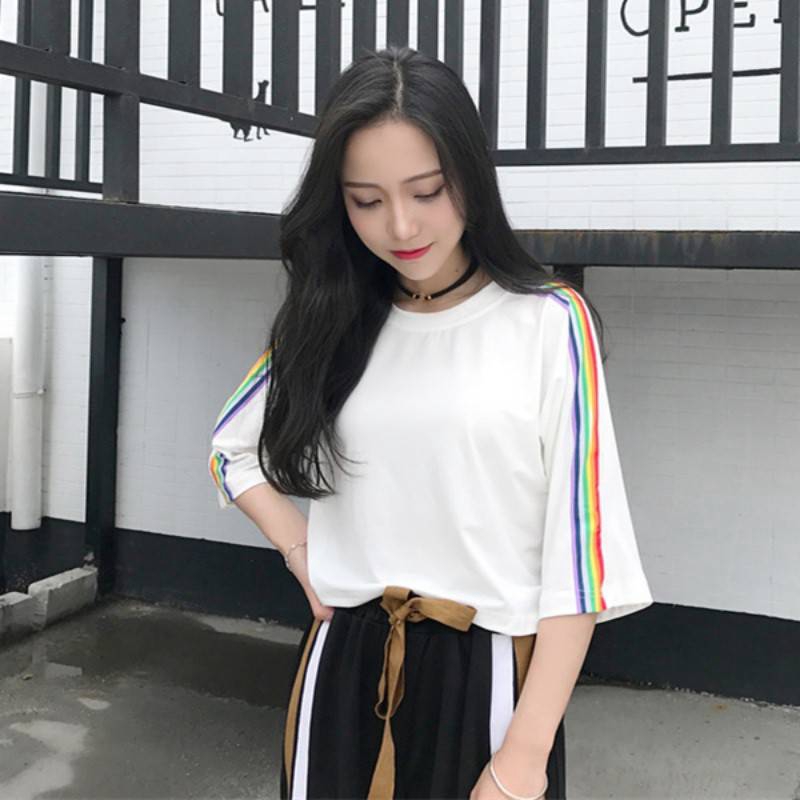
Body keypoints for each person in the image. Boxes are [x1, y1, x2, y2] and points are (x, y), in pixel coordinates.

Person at [208, 45, 653, 800]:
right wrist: (301, 552)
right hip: (341, 669)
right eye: (366, 200)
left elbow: (581, 566)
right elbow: (232, 450)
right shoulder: (334, 316)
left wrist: (523, 758)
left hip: (490, 681)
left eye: (428, 191)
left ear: (470, 178)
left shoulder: (550, 324)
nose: (400, 224)